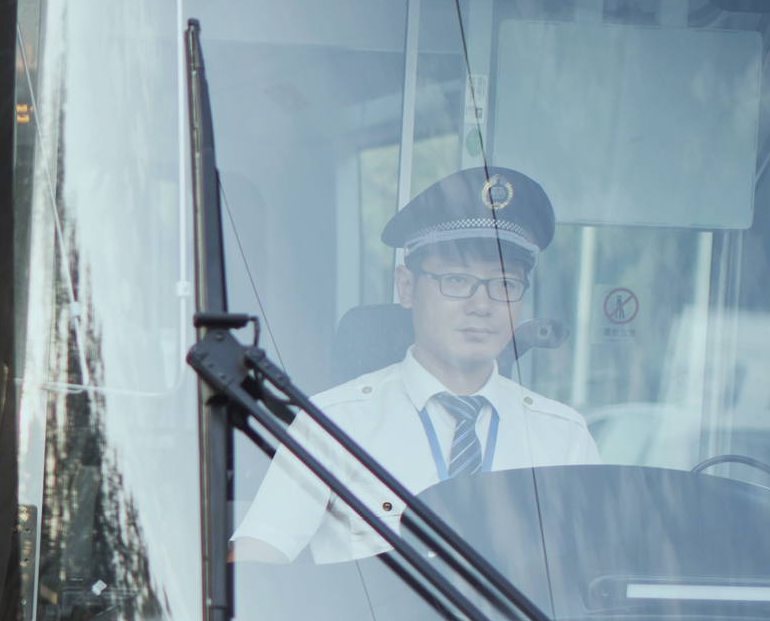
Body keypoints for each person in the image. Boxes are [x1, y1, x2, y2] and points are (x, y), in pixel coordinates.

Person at [235, 167, 601, 565]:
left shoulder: (563, 438)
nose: (482, 305)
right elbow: (253, 567)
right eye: (457, 281)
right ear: (406, 287)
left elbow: (600, 572)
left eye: (505, 285)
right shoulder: (335, 427)